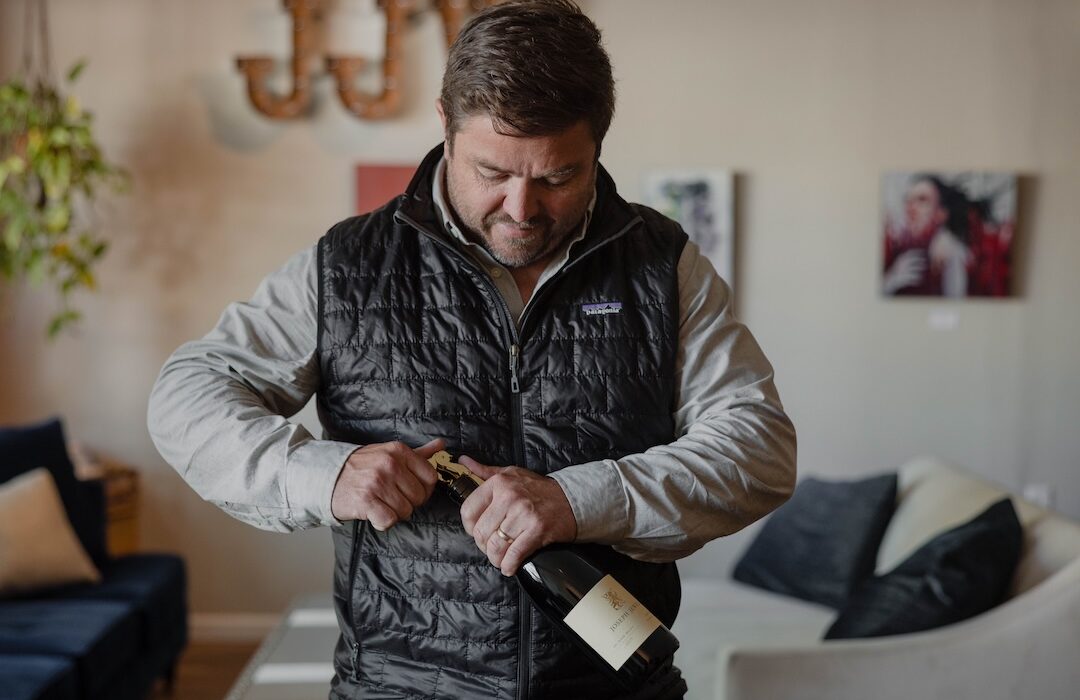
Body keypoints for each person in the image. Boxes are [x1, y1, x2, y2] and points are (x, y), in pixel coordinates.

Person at [147, 1, 796, 698]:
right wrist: (323, 475)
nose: (521, 209)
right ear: (445, 126)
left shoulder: (664, 265)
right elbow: (187, 394)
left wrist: (577, 500)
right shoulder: (345, 266)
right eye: (492, 172)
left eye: (557, 178)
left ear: (598, 147)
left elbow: (758, 448)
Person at [883, 174, 972, 297]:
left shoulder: (950, 251)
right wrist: (891, 281)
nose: (910, 207)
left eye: (922, 200)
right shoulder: (894, 245)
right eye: (907, 200)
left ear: (941, 214)